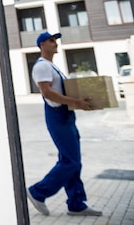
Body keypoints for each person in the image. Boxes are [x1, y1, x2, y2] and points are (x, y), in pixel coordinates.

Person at [26, 31, 102, 217]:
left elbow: (61, 90)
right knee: (71, 161)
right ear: (42, 44)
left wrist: (80, 100)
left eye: (56, 41)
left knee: (71, 160)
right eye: (52, 40)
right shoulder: (42, 66)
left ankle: (76, 204)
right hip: (57, 116)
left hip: (65, 115)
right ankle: (38, 192)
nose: (55, 43)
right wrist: (75, 103)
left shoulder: (52, 66)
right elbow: (48, 93)